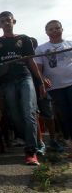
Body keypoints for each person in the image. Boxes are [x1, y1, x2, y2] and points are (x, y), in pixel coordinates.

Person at [0, 11, 46, 165]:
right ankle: (31, 140)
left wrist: (40, 82)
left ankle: (31, 152)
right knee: (14, 116)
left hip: (24, 78)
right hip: (6, 82)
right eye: (3, 21)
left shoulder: (24, 39)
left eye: (8, 20)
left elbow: (31, 62)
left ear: (14, 21)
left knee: (29, 113)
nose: (6, 23)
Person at [35, 20, 72, 151]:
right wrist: (43, 80)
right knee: (63, 114)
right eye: (51, 29)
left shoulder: (70, 44)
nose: (54, 31)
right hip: (55, 87)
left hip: (71, 83)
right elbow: (38, 68)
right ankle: (68, 140)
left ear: (62, 29)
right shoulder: (41, 49)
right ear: (46, 32)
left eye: (57, 28)